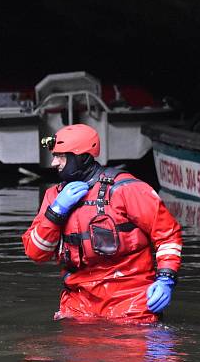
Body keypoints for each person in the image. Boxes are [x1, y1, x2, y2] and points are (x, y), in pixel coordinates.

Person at [23, 124, 183, 323]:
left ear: (82, 158)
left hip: (131, 303)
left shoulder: (126, 189)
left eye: (61, 156)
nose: (54, 163)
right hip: (78, 303)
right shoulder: (54, 197)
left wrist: (166, 279)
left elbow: (167, 234)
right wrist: (55, 213)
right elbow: (35, 252)